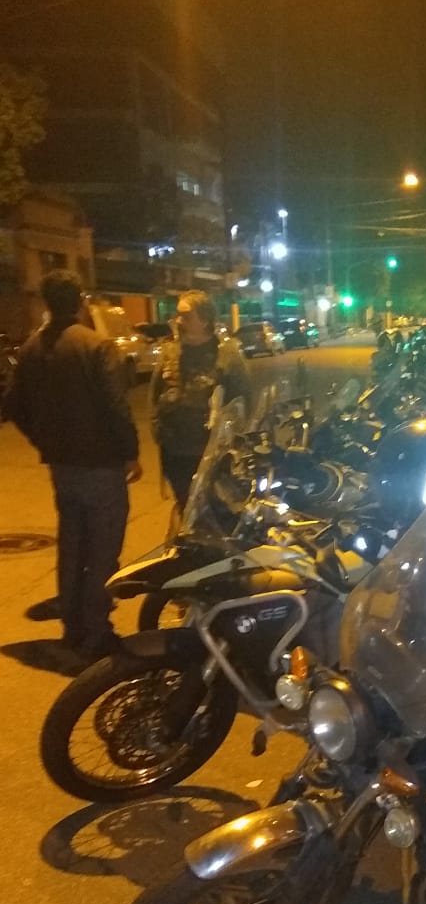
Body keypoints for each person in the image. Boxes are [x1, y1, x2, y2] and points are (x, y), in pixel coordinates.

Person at [6, 270, 142, 658]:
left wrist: (43, 440)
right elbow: (116, 408)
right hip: (101, 466)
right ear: (80, 300)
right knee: (102, 550)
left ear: (47, 303)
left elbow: (13, 405)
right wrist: (130, 452)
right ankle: (96, 631)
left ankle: (72, 626)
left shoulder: (31, 349)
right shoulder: (96, 346)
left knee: (72, 546)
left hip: (63, 467)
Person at [150, 290, 250, 510]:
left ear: (205, 320)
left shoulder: (227, 355)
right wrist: (158, 430)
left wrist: (232, 440)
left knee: (213, 510)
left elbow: (243, 402)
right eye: (177, 315)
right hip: (175, 452)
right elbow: (155, 395)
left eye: (186, 316)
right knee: (185, 507)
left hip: (211, 454)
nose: (179, 321)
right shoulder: (170, 351)